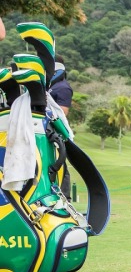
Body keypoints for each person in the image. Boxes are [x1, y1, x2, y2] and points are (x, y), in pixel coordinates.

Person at [48, 54, 74, 200]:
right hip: (43, 130)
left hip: (56, 132)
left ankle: (65, 199)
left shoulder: (63, 87)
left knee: (60, 163)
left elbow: (62, 112)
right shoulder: (48, 86)